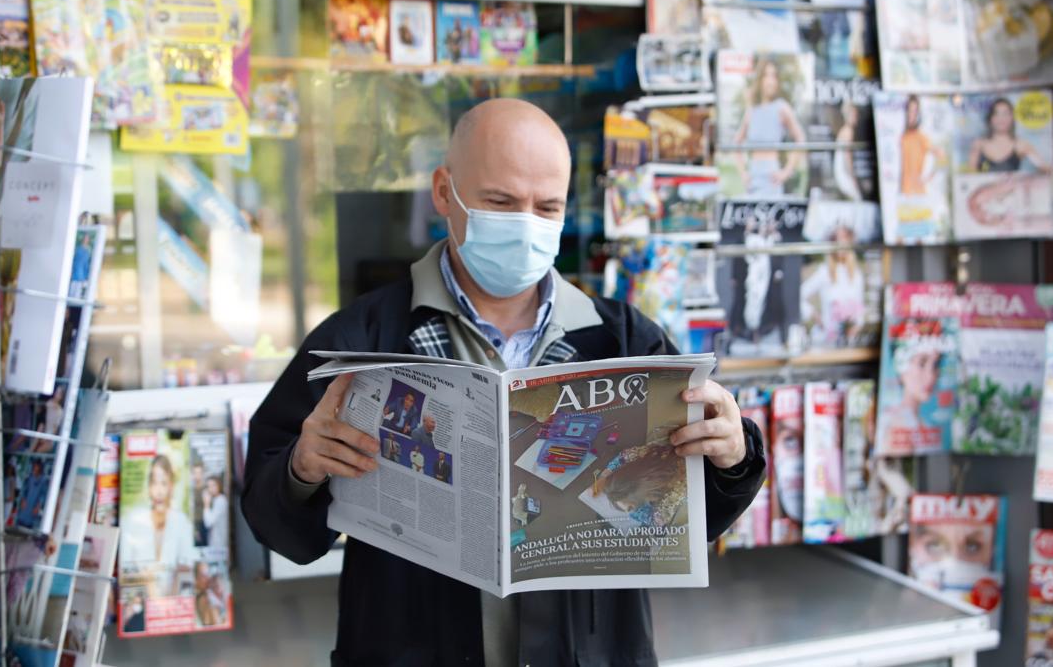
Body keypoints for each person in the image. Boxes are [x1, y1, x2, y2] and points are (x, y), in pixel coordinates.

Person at [241, 99, 765, 667]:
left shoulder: (624, 341)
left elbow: (686, 522)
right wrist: (300, 468)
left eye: (547, 207)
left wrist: (732, 456)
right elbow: (274, 523)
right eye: (500, 202)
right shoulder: (360, 339)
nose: (526, 226)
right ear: (445, 192)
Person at [732, 58, 807, 197]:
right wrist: (743, 173)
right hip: (753, 175)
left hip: (771, 175)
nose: (770, 81)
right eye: (766, 75)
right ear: (760, 79)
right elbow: (736, 143)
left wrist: (787, 171)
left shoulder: (781, 107)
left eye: (773, 76)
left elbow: (800, 138)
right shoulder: (752, 110)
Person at [120, 454, 194, 592]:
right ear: (148, 487)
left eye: (164, 483)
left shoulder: (182, 522)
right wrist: (148, 583)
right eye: (154, 483)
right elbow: (124, 573)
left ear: (171, 486)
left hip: (174, 602)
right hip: (138, 603)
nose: (159, 491)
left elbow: (187, 567)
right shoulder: (133, 520)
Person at [799, 226, 866, 345]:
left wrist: (855, 328)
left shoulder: (856, 275)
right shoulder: (824, 272)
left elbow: (860, 312)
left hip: (848, 342)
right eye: (836, 239)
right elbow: (798, 295)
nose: (840, 243)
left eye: (844, 238)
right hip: (824, 339)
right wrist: (815, 315)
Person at [968, 97, 1052, 174]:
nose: (1001, 118)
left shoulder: (1021, 145)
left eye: (1005, 113)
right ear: (990, 118)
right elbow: (970, 175)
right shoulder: (979, 144)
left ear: (1012, 118)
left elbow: (1044, 167)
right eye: (996, 113)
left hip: (1013, 190)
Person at [898, 95, 947, 197]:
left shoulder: (920, 136)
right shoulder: (903, 135)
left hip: (917, 192)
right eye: (909, 110)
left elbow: (942, 156)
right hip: (903, 191)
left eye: (915, 111)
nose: (911, 115)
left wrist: (928, 178)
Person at [833, 101, 863, 200]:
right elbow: (847, 157)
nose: (856, 118)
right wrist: (852, 177)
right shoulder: (848, 131)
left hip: (841, 172)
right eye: (855, 115)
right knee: (857, 197)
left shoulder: (844, 130)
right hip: (844, 173)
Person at [202, 475, 228, 549]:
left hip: (219, 545)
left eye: (213, 485)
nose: (211, 488)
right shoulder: (215, 500)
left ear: (219, 485)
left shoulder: (221, 500)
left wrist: (206, 504)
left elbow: (208, 523)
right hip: (215, 543)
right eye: (209, 486)